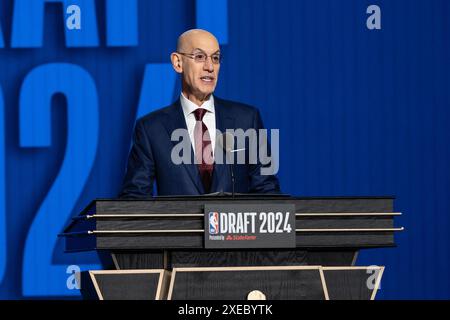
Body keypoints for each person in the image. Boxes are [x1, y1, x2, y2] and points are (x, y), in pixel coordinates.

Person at [119, 29, 280, 198]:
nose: (210, 67)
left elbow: (268, 192)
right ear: (177, 62)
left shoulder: (247, 119)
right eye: (200, 57)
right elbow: (134, 198)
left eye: (215, 58)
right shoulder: (151, 129)